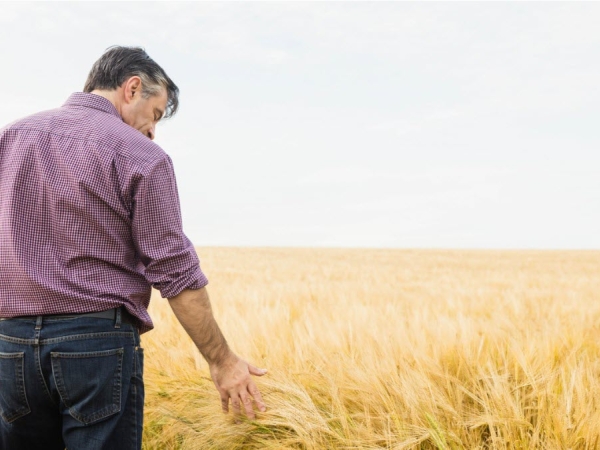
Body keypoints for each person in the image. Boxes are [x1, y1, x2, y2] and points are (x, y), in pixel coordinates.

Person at [0, 46, 267, 450]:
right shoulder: (142, 156)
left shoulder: (11, 137)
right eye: (156, 114)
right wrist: (223, 360)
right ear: (132, 88)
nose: (153, 130)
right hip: (95, 347)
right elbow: (175, 271)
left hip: (9, 347)